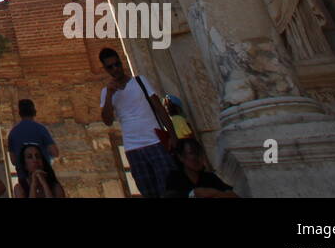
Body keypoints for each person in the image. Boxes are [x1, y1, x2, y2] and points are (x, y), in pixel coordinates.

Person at [98, 48, 176, 198]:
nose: (115, 69)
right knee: (148, 192)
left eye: (117, 64)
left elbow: (159, 108)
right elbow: (107, 120)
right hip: (133, 148)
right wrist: (109, 95)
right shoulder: (106, 92)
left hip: (155, 142)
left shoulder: (139, 81)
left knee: (170, 189)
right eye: (110, 67)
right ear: (105, 69)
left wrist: (173, 135)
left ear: (121, 63)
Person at [6, 99, 60, 194]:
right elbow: (55, 152)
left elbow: (13, 160)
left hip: (24, 179)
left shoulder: (13, 133)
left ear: (20, 113)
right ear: (34, 112)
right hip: (45, 176)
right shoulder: (40, 129)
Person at [164, 137, 238, 198]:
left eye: (199, 153)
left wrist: (213, 193)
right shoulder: (174, 178)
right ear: (181, 157)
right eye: (192, 153)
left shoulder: (210, 177)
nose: (197, 158)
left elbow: (233, 195)